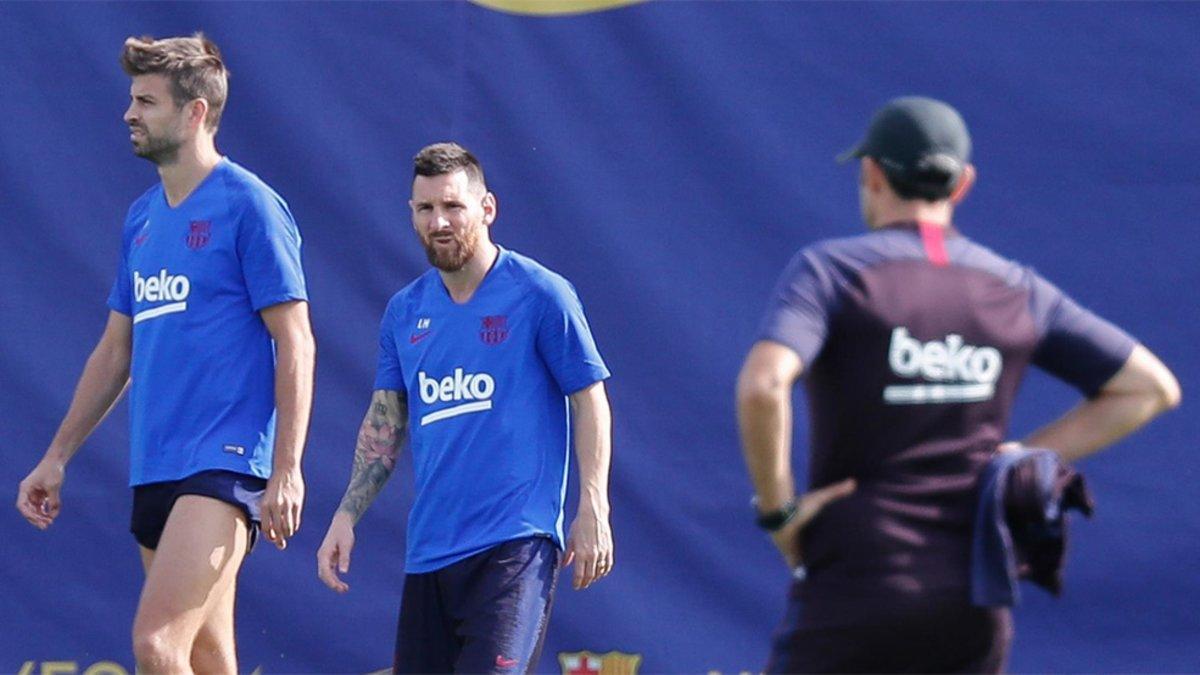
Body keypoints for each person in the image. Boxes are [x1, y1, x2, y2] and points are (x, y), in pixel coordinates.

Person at [736, 96, 1181, 673]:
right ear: (963, 184)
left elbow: (763, 385)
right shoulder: (1013, 286)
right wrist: (1018, 454)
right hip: (972, 596)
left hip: (854, 582)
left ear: (871, 173)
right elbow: (1149, 388)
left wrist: (778, 515)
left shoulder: (833, 271)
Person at [15, 34, 315, 673]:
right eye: (131, 99)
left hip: (225, 464)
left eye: (146, 101)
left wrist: (286, 468)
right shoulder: (142, 218)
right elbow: (115, 349)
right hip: (156, 464)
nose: (129, 113)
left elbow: (296, 340)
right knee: (208, 657)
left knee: (158, 646)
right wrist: (56, 456)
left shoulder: (249, 205)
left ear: (195, 112)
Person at [316, 142, 614, 673]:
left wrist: (593, 504)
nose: (440, 222)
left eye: (453, 206)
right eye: (426, 209)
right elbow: (386, 421)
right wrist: (346, 513)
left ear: (487, 208)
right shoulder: (404, 313)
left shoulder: (540, 294)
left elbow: (590, 398)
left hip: (513, 550)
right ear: (411, 215)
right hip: (430, 554)